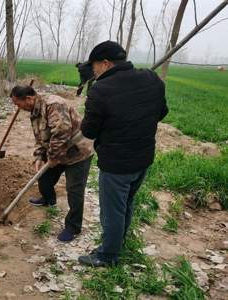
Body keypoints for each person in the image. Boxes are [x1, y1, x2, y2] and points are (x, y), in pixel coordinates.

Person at [77, 41, 169, 267]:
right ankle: (119, 242)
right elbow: (162, 112)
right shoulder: (151, 77)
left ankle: (107, 256)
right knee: (127, 203)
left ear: (106, 63)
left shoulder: (101, 89)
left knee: (112, 212)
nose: (94, 71)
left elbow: (88, 131)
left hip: (116, 165)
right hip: (144, 158)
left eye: (95, 66)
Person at [10, 86, 94, 242]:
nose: (18, 107)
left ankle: (73, 227)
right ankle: (49, 199)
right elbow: (40, 137)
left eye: (17, 103)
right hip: (57, 151)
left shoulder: (54, 105)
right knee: (44, 179)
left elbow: (62, 132)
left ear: (28, 99)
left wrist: (53, 157)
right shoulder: (34, 112)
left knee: (74, 190)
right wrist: (39, 156)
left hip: (77, 152)